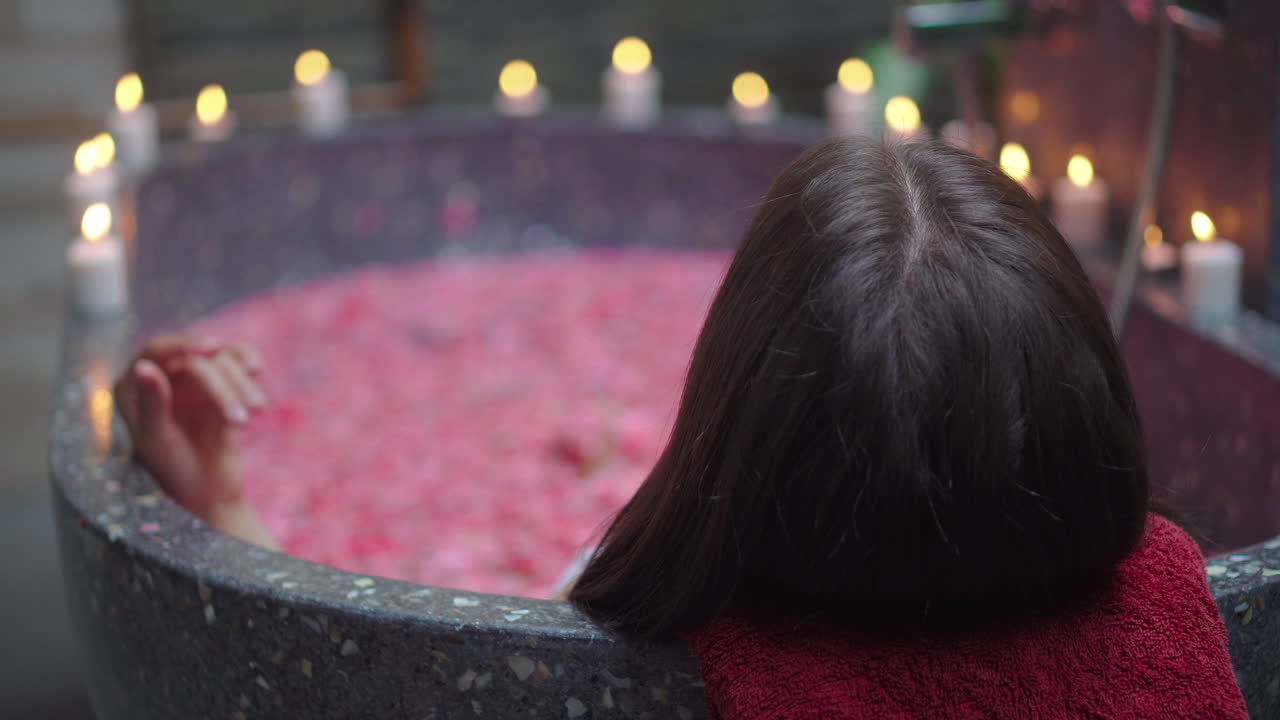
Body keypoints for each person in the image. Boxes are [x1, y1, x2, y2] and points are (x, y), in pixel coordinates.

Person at [116, 137, 1247, 718]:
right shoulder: (1160, 599)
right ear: (1085, 418)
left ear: (732, 433)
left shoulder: (630, 624)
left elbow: (388, 675)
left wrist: (221, 507)